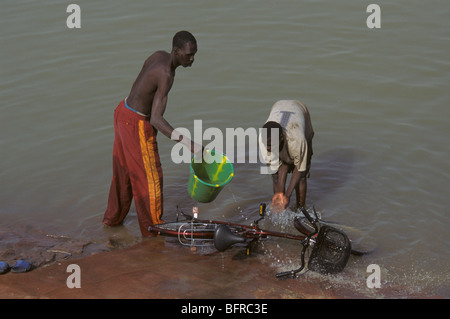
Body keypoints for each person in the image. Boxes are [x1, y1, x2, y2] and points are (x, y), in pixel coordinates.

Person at [103, 31, 202, 237]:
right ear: (176, 51)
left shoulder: (158, 55)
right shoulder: (167, 75)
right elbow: (156, 119)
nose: (192, 59)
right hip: (136, 124)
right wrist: (190, 144)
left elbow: (139, 89)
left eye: (194, 54)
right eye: (188, 55)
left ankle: (111, 224)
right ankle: (153, 235)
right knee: (151, 182)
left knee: (123, 176)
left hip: (122, 112)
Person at [259, 100, 314, 212]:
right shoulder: (263, 140)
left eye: (270, 145)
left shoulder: (298, 140)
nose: (268, 148)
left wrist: (287, 195)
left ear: (281, 138)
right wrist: (280, 192)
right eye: (266, 145)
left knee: (302, 176)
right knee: (275, 176)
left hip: (299, 109)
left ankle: (300, 211)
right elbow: (281, 165)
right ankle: (279, 206)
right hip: (278, 105)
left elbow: (299, 168)